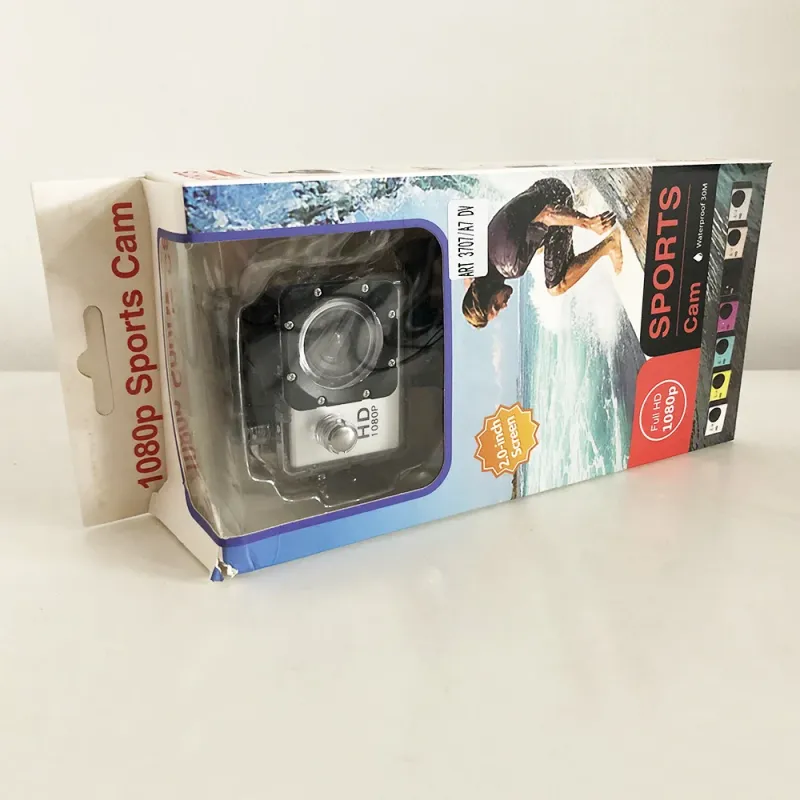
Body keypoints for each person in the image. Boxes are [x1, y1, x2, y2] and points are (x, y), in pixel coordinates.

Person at [462, 178, 623, 328]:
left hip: (558, 198)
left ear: (488, 290)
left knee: (556, 286)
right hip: (545, 186)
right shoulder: (481, 261)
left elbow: (547, 215)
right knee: (538, 249)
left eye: (496, 305)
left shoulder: (512, 266)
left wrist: (588, 223)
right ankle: (580, 199)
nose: (504, 306)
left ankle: (609, 244)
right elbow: (470, 283)